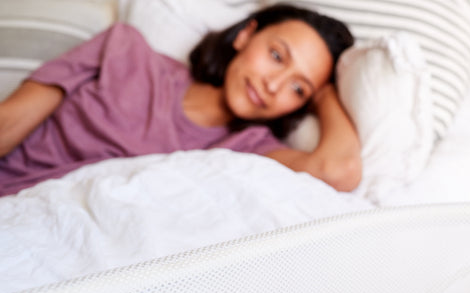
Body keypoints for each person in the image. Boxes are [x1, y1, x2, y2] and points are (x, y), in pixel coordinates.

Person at [0, 3, 361, 197]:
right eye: (277, 56)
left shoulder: (249, 149)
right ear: (245, 35)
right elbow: (9, 120)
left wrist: (325, 94)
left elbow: (338, 171)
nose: (273, 85)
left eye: (297, 89)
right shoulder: (124, 49)